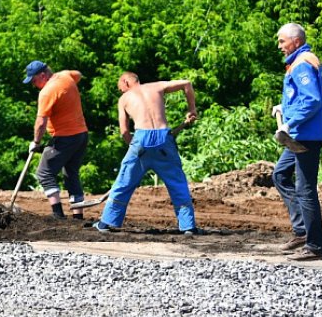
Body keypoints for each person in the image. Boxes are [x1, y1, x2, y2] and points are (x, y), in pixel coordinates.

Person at [93, 72, 199, 235]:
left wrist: (133, 145)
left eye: (119, 86)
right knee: (177, 182)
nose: (120, 91)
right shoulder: (156, 86)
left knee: (124, 181)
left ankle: (107, 222)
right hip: (164, 138)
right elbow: (186, 83)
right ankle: (188, 226)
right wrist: (192, 109)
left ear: (126, 81)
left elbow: (124, 130)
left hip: (141, 139)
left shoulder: (124, 99)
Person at [271, 23, 322, 261]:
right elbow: (301, 98)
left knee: (305, 190)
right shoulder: (301, 61)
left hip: (306, 136)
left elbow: (312, 100)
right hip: (299, 136)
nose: (280, 46)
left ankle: (315, 245)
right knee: (280, 175)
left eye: (282, 41)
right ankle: (301, 230)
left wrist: (289, 123)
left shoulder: (302, 63)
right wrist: (283, 108)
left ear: (295, 41)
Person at [22, 60, 89, 220]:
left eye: (34, 80)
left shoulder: (47, 92)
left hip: (65, 137)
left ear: (43, 75)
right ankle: (78, 216)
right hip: (82, 135)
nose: (33, 84)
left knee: (44, 173)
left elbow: (41, 123)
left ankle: (57, 214)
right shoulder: (66, 76)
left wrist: (36, 142)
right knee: (71, 173)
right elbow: (78, 74)